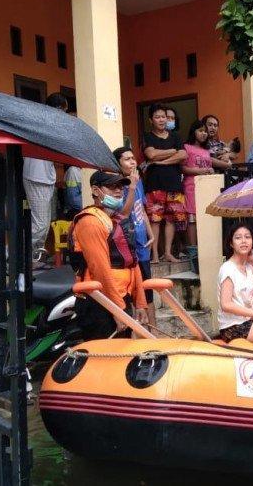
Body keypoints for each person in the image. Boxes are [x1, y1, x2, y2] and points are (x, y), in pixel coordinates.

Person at [68, 171, 148, 339]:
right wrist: (117, 310)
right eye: (112, 187)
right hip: (100, 302)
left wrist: (140, 301)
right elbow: (100, 270)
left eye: (120, 186)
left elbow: (131, 262)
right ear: (96, 191)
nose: (118, 191)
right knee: (107, 360)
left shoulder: (116, 219)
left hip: (120, 298)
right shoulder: (90, 221)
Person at [114, 147, 156, 328]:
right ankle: (139, 336)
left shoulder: (137, 181)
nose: (132, 162)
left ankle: (155, 336)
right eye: (127, 159)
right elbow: (123, 213)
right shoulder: (118, 185)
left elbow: (142, 210)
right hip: (127, 245)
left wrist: (151, 233)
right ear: (118, 163)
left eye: (133, 158)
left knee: (148, 292)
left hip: (142, 243)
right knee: (134, 294)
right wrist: (130, 185)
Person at [24, 92, 67, 263]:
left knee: (45, 221)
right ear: (57, 109)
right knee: (41, 223)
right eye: (64, 110)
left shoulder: (48, 123)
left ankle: (34, 257)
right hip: (37, 176)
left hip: (44, 177)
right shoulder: (43, 123)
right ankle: (21, 254)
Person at [143, 104, 187, 263]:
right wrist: (172, 151)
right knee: (155, 219)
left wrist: (164, 162)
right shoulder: (147, 136)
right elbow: (151, 154)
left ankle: (168, 252)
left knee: (171, 219)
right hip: (155, 184)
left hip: (174, 184)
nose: (162, 120)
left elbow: (183, 154)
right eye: (158, 117)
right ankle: (154, 254)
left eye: (164, 117)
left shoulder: (176, 136)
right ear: (151, 120)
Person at [181, 120, 214, 247]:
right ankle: (193, 250)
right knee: (192, 219)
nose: (203, 134)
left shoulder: (206, 150)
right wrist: (201, 171)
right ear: (193, 132)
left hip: (206, 188)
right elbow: (182, 168)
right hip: (191, 187)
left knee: (205, 217)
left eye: (205, 131)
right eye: (200, 131)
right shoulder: (186, 147)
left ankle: (205, 248)